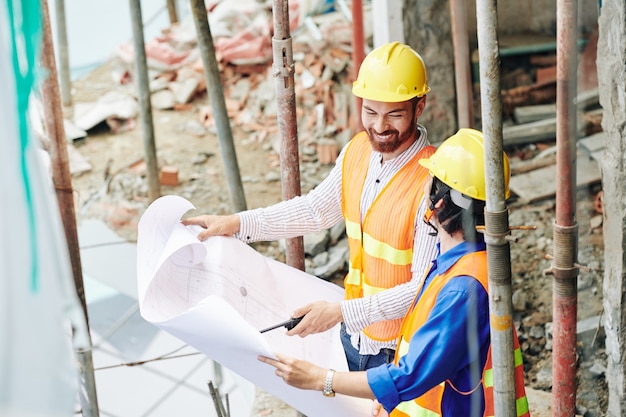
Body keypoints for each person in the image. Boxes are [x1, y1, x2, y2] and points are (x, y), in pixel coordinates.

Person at [182, 41, 439, 371]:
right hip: (354, 337)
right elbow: (315, 209)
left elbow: (422, 288)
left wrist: (340, 312)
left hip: (400, 351)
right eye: (370, 112)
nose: (379, 126)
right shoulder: (358, 151)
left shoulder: (433, 181)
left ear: (419, 107)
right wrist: (238, 223)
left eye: (394, 115)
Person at [258, 128, 530, 417]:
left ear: (437, 202)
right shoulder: (460, 263)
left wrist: (320, 379)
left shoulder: (463, 289)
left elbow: (410, 374)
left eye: (429, 180)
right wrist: (390, 399)